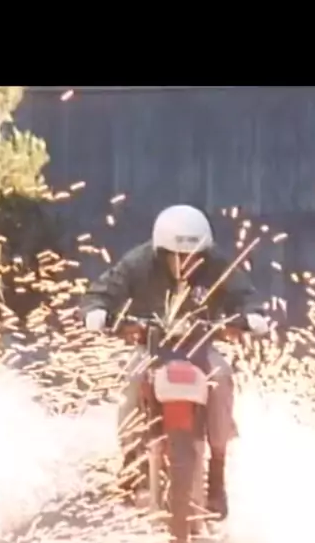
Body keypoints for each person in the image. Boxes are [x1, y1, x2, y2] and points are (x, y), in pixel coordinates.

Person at [83, 204, 269, 520]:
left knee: (222, 377)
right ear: (161, 253)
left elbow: (245, 295)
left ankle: (217, 473)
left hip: (201, 349)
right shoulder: (138, 262)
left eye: (194, 256)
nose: (187, 263)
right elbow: (102, 291)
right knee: (132, 379)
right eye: (178, 256)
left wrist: (252, 316)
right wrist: (97, 312)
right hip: (151, 349)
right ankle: (130, 466)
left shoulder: (218, 265)